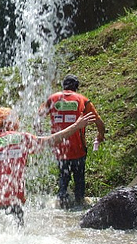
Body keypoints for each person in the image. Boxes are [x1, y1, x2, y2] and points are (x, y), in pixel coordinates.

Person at [0, 107, 95, 225]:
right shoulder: (24, 138)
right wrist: (75, 126)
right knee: (18, 238)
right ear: (15, 122)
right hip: (16, 198)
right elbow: (51, 141)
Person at [37, 74, 105, 209]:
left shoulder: (52, 99)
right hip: (78, 148)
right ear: (76, 87)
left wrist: (40, 134)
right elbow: (98, 121)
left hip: (60, 148)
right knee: (79, 177)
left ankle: (61, 201)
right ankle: (80, 201)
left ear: (64, 86)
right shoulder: (83, 100)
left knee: (63, 176)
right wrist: (100, 135)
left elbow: (38, 118)